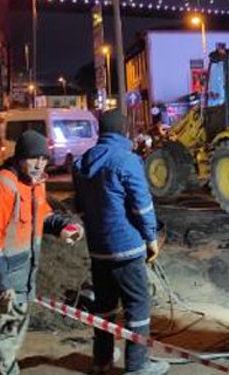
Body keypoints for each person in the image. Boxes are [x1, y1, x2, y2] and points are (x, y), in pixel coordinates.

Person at [0, 130, 84, 375]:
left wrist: (62, 228)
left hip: (20, 282)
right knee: (2, 349)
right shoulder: (1, 188)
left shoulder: (33, 185)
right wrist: (1, 287)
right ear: (19, 158)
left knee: (6, 344)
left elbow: (41, 215)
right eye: (33, 158)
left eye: (44, 158)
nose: (39, 164)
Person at [73, 109, 168, 375]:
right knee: (138, 307)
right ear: (123, 131)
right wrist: (151, 238)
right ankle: (137, 366)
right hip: (127, 249)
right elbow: (142, 206)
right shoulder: (127, 160)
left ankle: (102, 361)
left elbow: (80, 207)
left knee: (104, 308)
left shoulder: (82, 162)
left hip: (98, 250)